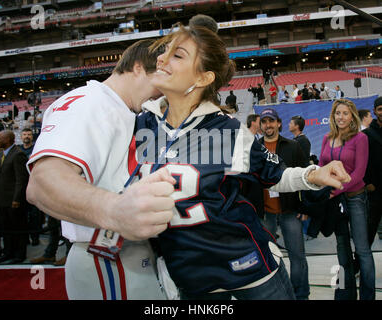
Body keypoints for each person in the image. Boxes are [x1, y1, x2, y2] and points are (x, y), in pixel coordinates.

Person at [134, 22, 351, 300]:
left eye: (177, 55)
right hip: (190, 277)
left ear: (202, 78)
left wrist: (313, 175)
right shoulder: (142, 124)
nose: (161, 59)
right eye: (165, 51)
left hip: (247, 267)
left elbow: (274, 175)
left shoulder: (227, 131)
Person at [26, 39, 177, 300]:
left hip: (127, 250)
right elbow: (43, 182)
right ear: (139, 67)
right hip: (105, 252)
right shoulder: (91, 102)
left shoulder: (122, 109)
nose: (163, 92)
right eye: (161, 79)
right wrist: (115, 211)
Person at [318, 98, 375, 300]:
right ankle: (344, 294)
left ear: (352, 116)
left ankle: (367, 296)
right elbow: (322, 167)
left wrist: (336, 189)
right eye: (337, 113)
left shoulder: (361, 138)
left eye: (345, 113)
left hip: (355, 198)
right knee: (342, 251)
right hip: (335, 202)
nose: (341, 117)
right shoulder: (327, 138)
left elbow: (359, 174)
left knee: (362, 250)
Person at [258, 108, 310, 300]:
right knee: (268, 258)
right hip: (265, 214)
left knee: (298, 257)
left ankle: (301, 295)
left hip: (290, 211)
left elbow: (305, 177)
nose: (268, 125)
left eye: (271, 121)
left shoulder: (292, 146)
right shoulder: (255, 148)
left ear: (279, 123)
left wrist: (304, 207)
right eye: (264, 122)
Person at [0, 130, 29, 264]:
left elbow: (21, 180)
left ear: (8, 139)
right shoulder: (1, 155)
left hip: (13, 201)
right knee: (7, 229)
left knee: (18, 228)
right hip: (2, 200)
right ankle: (8, 252)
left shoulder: (18, 155)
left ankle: (19, 255)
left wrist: (16, 199)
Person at [363, 97, 382, 248]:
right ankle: (359, 266)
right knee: (369, 230)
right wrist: (368, 182)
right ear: (375, 111)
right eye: (380, 109)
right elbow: (364, 161)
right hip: (375, 190)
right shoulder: (367, 134)